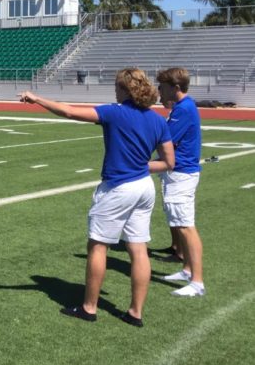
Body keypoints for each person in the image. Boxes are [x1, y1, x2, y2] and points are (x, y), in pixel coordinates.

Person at [19, 68, 174, 327]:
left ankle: (89, 307)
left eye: (117, 86)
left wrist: (37, 99)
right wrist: (141, 165)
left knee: (98, 245)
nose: (114, 90)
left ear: (126, 89)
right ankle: (135, 312)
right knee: (138, 249)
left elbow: (69, 112)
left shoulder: (115, 112)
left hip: (117, 188)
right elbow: (169, 162)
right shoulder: (158, 119)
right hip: (144, 188)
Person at [154, 67, 205, 297]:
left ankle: (197, 282)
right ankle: (187, 270)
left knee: (186, 226)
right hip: (180, 172)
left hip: (182, 173)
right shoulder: (183, 107)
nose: (159, 92)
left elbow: (166, 141)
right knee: (181, 222)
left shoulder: (183, 109)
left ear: (175, 88)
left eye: (163, 88)